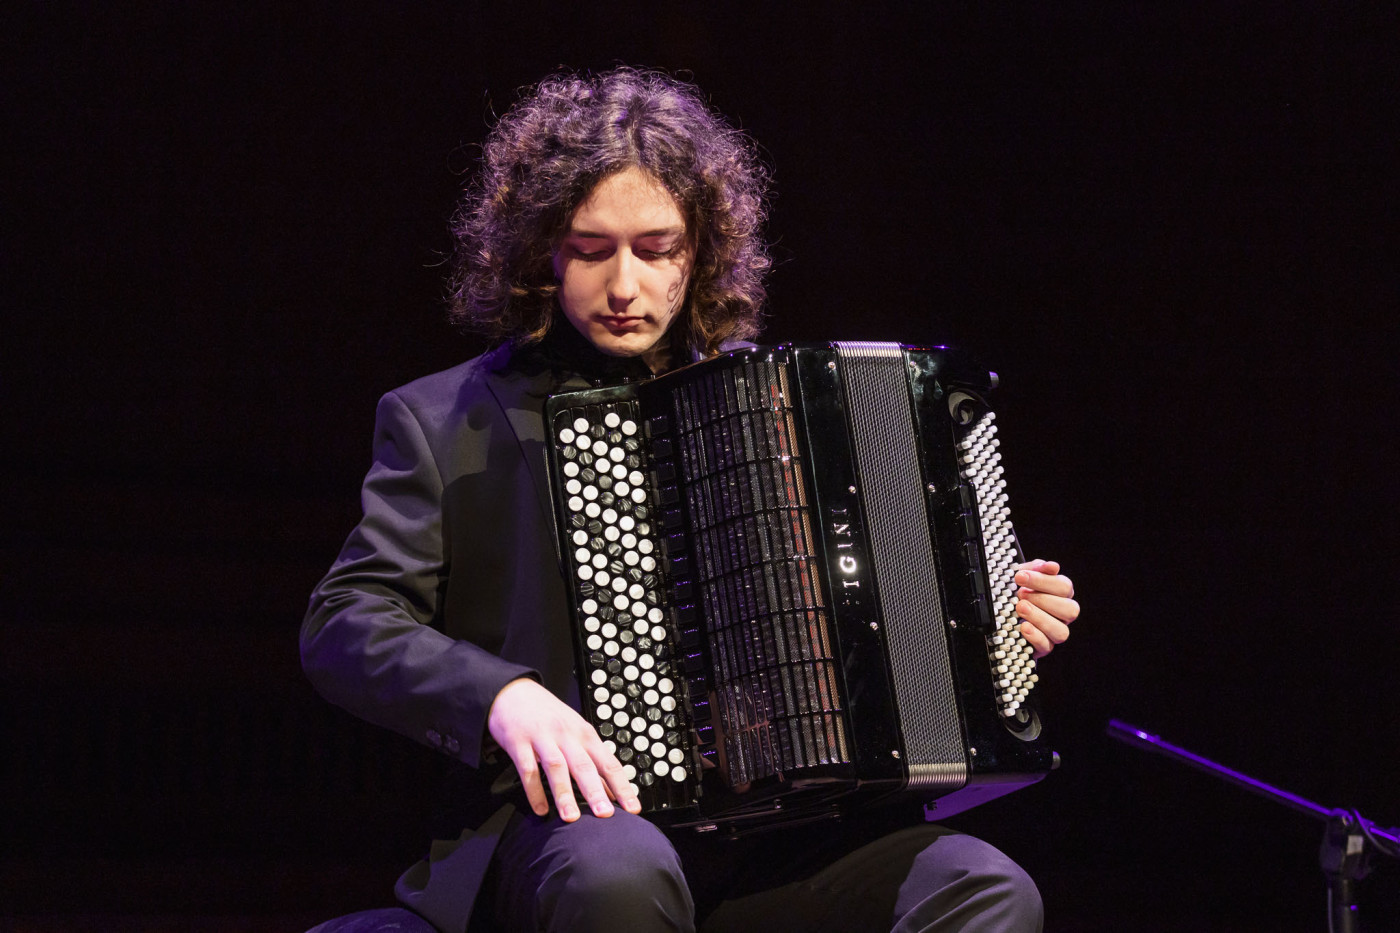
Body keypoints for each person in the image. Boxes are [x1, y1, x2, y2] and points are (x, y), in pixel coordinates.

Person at [301, 67, 1079, 933]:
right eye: (591, 249)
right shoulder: (444, 418)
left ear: (699, 252)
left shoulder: (772, 408)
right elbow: (346, 621)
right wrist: (499, 695)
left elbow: (868, 607)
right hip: (572, 827)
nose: (623, 285)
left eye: (656, 248)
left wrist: (982, 615)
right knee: (619, 876)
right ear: (542, 249)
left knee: (987, 888)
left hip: (784, 841)